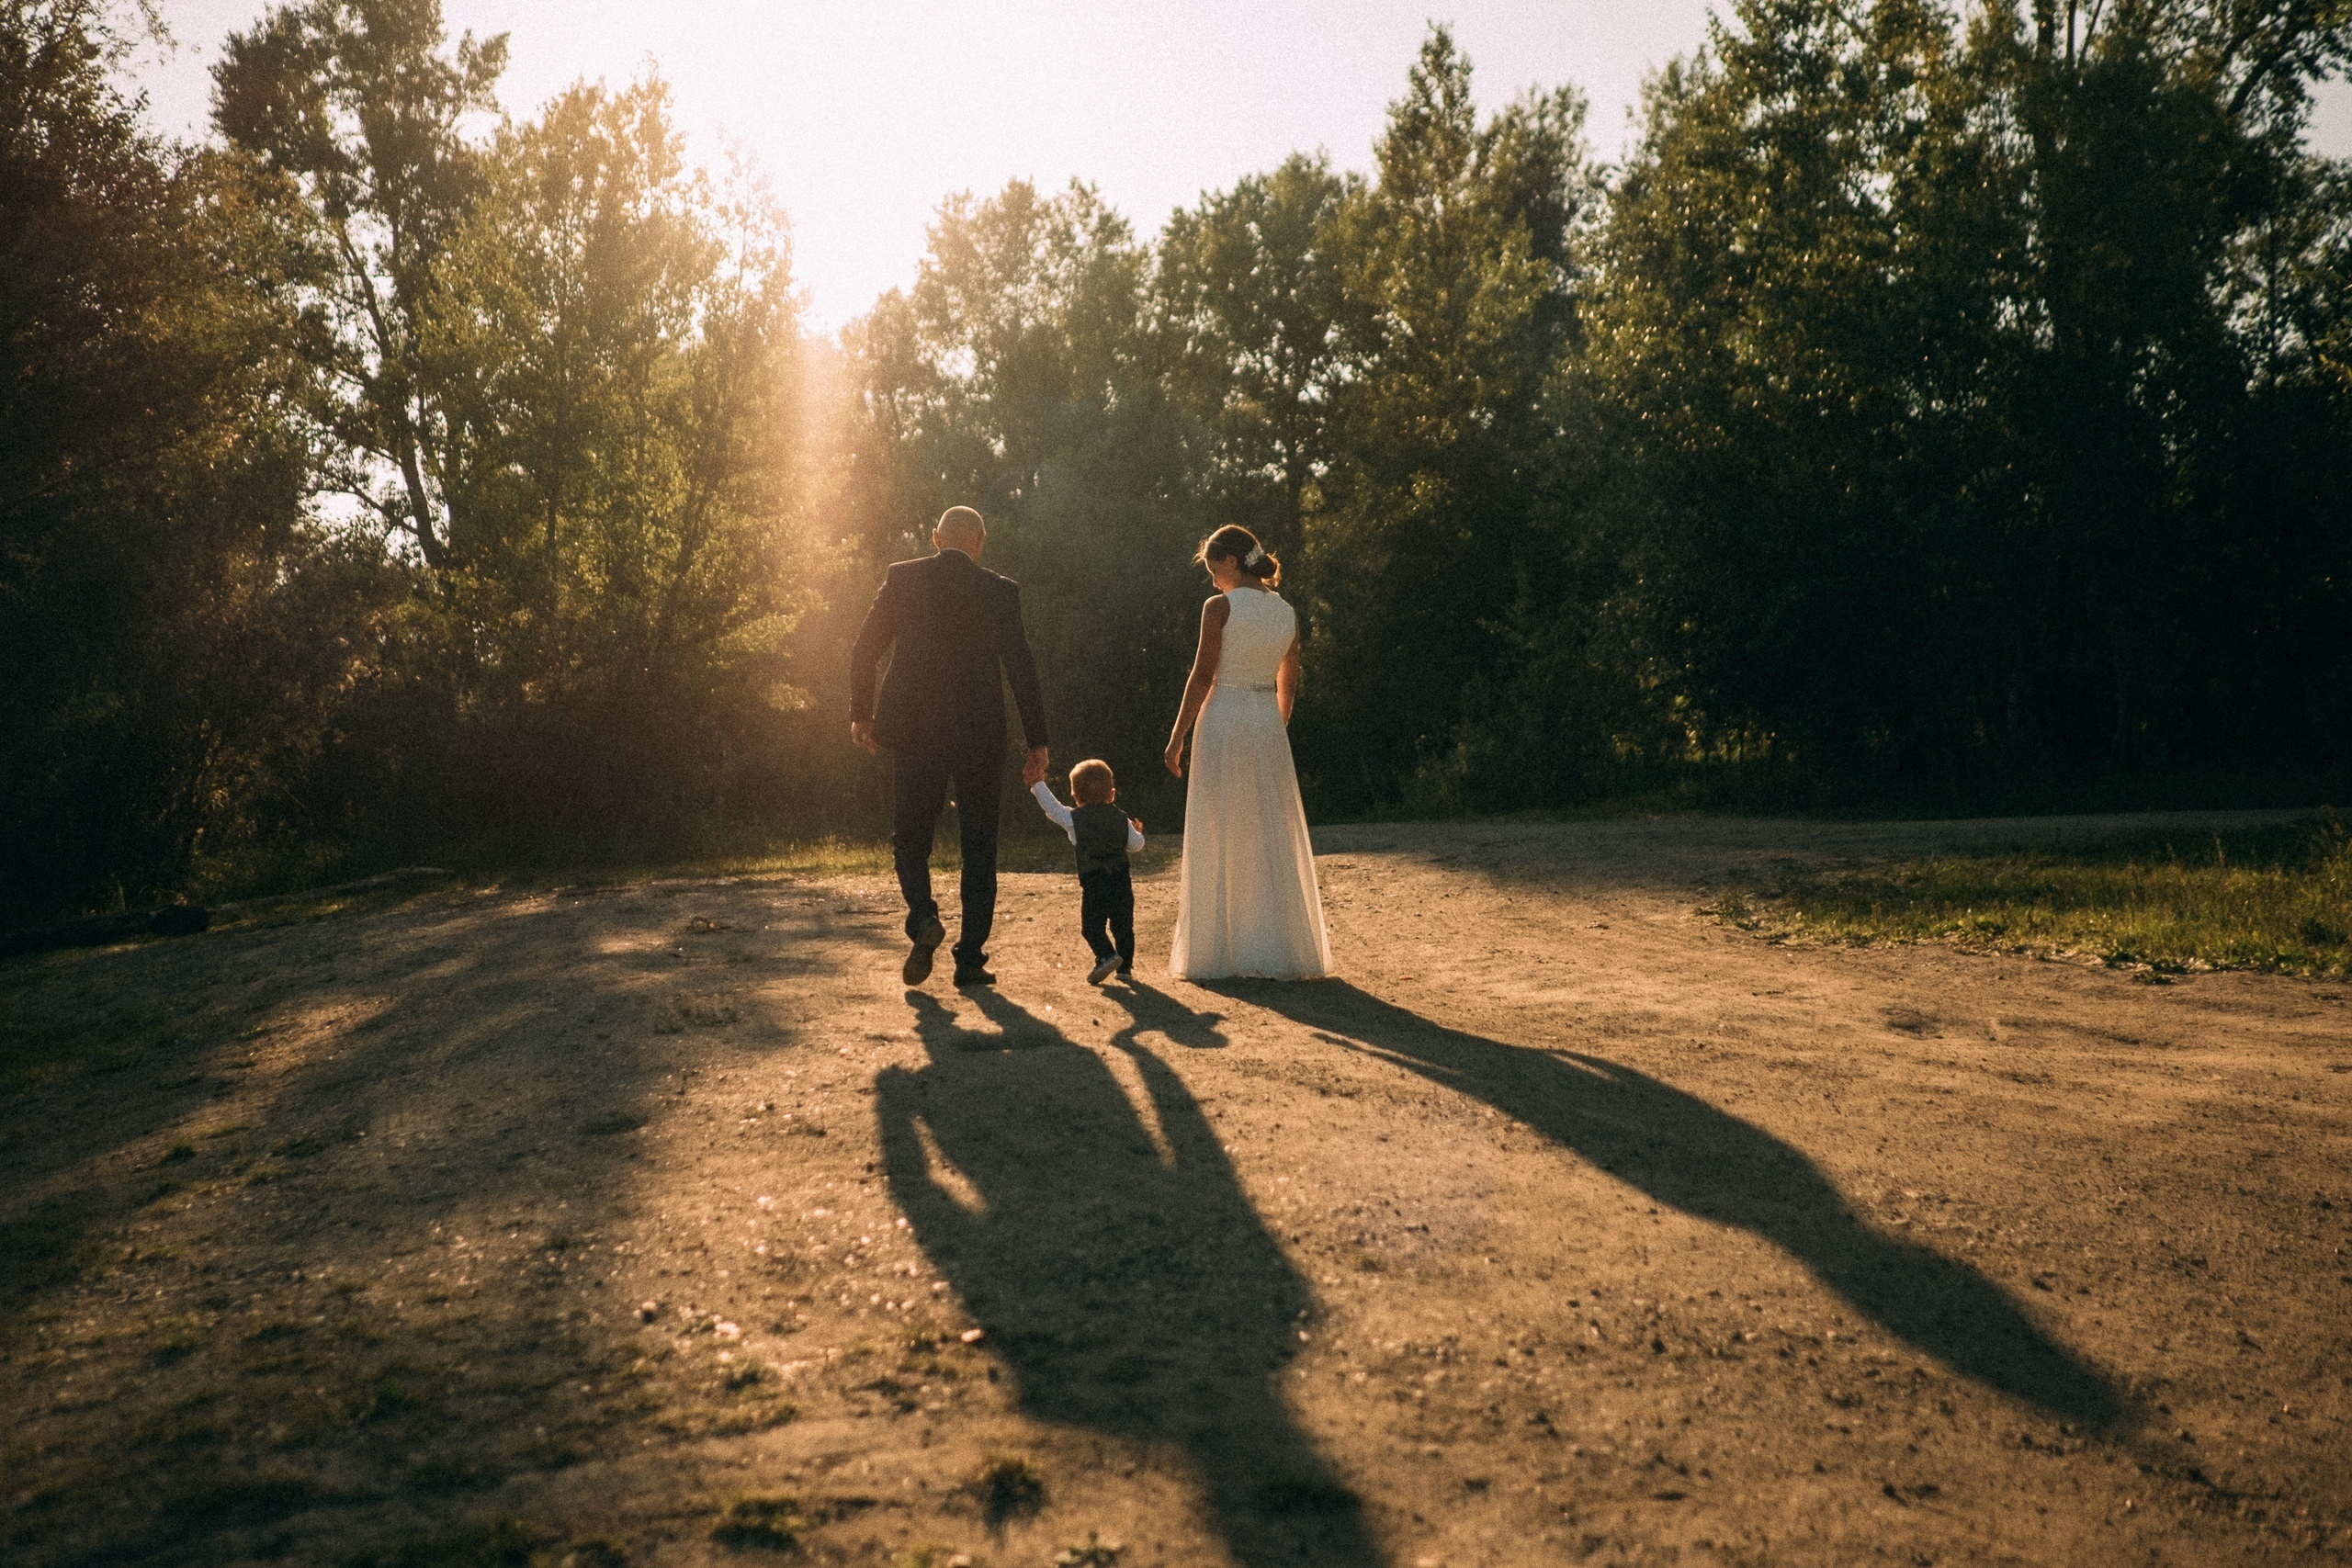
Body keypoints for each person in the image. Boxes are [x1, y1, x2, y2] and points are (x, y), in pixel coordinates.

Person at [850, 506, 1050, 987]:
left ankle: (923, 919)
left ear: (936, 537)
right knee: (980, 846)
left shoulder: (903, 578)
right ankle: (970, 959)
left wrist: (862, 713)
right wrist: (1037, 741)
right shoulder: (1001, 591)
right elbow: (1021, 667)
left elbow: (864, 648)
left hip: (915, 731)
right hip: (980, 733)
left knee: (910, 837)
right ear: (979, 541)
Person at [1162, 525, 1333, 980]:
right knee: (1265, 829)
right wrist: (1275, 726)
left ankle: (1221, 950)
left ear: (1232, 562)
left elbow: (1202, 675)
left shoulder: (1219, 607)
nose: (1212, 576)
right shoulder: (1287, 613)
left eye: (1213, 566)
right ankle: (1274, 946)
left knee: (1220, 824)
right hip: (1264, 721)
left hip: (1223, 716)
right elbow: (1289, 681)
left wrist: (1177, 735)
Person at [1029, 759, 1146, 985]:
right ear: (1111, 794)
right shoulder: (1122, 819)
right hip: (1121, 881)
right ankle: (1125, 969)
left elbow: (1052, 809)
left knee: (1091, 927)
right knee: (1123, 926)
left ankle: (1106, 955)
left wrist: (1037, 784)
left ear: (1076, 796)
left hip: (1094, 884)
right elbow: (1136, 845)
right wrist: (1137, 831)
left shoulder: (1074, 819)